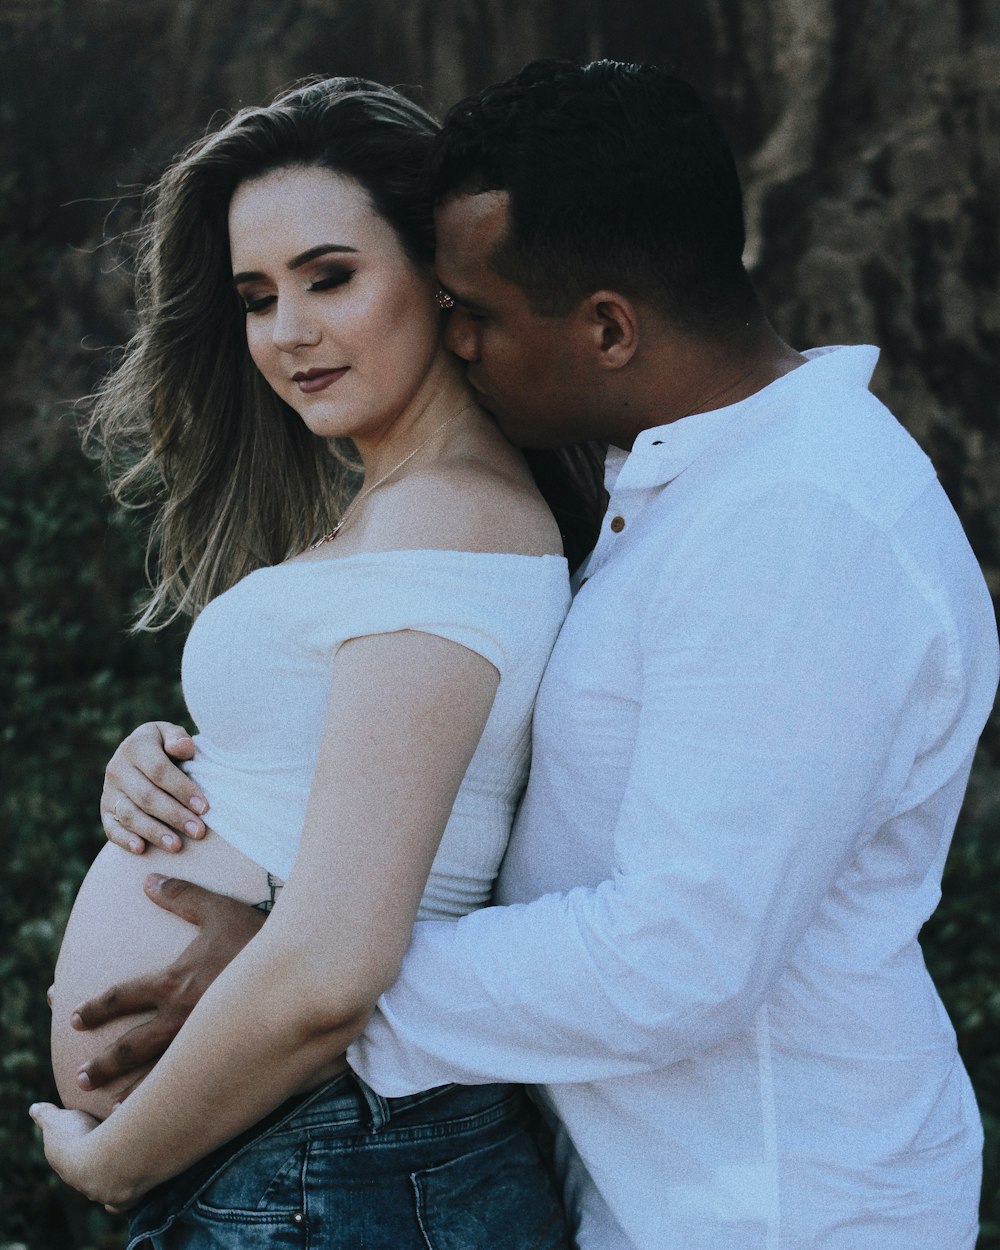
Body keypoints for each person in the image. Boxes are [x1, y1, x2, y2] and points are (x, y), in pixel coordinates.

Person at [39, 59, 999, 1250]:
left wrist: (310, 964)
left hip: (775, 1203)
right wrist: (203, 775)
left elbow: (680, 954)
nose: (457, 342)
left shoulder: (797, 526)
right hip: (644, 1183)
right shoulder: (685, 492)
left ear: (605, 324)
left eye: (474, 313)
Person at [32, 74, 597, 1249]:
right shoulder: (398, 513)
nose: (288, 332)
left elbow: (338, 959)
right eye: (256, 295)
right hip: (308, 1162)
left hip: (330, 1164)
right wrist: (177, 763)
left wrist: (105, 1163)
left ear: (436, 276)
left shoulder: (446, 518)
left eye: (330, 276)